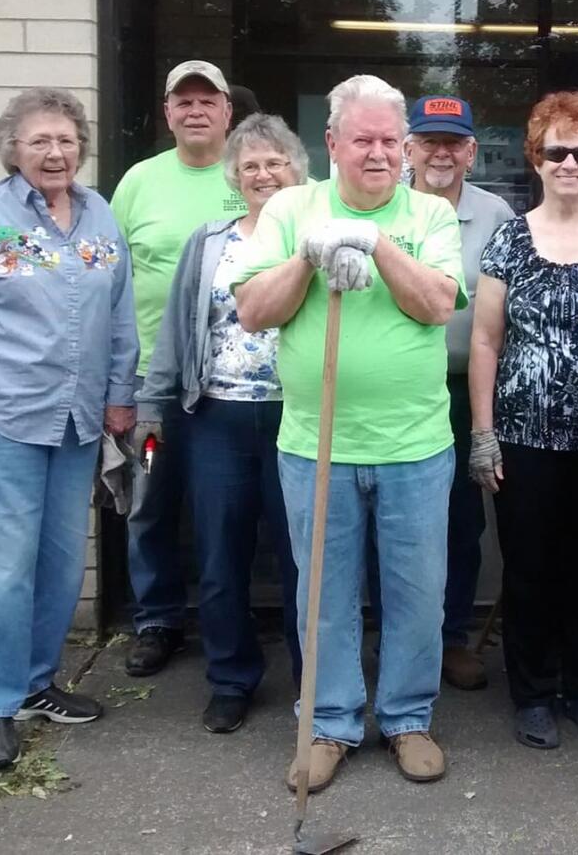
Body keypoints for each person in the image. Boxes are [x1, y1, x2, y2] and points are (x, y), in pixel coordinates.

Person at [233, 75, 465, 792]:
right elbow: (252, 310)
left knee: (416, 590)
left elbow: (436, 304)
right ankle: (329, 723)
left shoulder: (430, 213)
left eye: (389, 141)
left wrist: (373, 241)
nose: (377, 153)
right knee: (323, 594)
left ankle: (406, 717)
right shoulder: (288, 209)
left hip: (415, 445)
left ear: (404, 148)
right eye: (361, 139)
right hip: (315, 444)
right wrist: (308, 255)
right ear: (331, 143)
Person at [0, 87, 138, 770]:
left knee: (61, 566)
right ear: (13, 149)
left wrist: (120, 398)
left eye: (67, 139)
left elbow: (121, 317)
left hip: (74, 422)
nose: (55, 152)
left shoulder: (99, 216)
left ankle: (39, 685)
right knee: (4, 571)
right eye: (40, 140)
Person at [469, 92, 578, 749]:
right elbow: (485, 340)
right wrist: (483, 434)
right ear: (537, 158)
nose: (569, 162)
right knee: (529, 567)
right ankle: (533, 692)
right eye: (556, 150)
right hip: (522, 435)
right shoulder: (508, 238)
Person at [134, 113, 308, 733]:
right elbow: (180, 332)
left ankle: (313, 683)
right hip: (215, 417)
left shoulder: (315, 235)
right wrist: (153, 406)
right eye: (251, 165)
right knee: (219, 556)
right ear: (236, 176)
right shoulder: (210, 241)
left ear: (298, 170)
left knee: (303, 558)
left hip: (299, 417)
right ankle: (231, 678)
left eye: (275, 162)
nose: (263, 173)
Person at [110, 60, 245, 677]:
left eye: (206, 101)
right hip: (154, 385)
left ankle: (240, 622)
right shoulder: (139, 182)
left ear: (227, 112)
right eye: (182, 102)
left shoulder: (249, 176)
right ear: (167, 114)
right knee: (151, 496)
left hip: (233, 383)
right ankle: (158, 618)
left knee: (233, 510)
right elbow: (109, 282)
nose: (195, 111)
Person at [403, 94, 514, 691]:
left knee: (459, 519)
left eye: (452, 142)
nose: (440, 153)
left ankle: (448, 639)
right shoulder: (382, 206)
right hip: (395, 389)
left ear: (471, 151)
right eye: (429, 141)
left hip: (461, 388)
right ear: (409, 148)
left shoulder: (496, 215)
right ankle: (394, 637)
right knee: (390, 518)